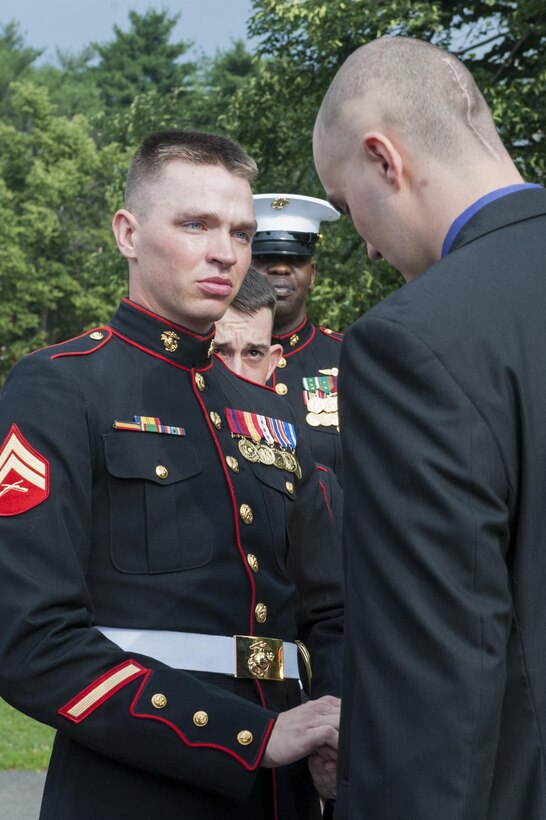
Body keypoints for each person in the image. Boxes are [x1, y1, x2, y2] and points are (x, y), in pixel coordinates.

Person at [0, 130, 343, 820]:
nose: (225, 251)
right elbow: (29, 639)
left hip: (289, 792)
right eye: (195, 224)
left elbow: (328, 612)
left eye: (240, 232)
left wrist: (346, 734)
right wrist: (250, 737)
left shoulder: (270, 415)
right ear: (127, 233)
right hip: (136, 786)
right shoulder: (62, 389)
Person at [313, 35, 546, 820]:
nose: (368, 246)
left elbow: (434, 686)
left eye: (348, 208)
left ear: (385, 159)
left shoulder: (415, 342)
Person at [215, 266, 343, 542]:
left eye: (253, 353)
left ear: (272, 362)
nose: (236, 372)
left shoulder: (315, 483)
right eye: (220, 351)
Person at [251, 194, 345, 484]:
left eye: (295, 259)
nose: (280, 268)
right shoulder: (212, 357)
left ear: (312, 275)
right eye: (265, 258)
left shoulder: (350, 356)